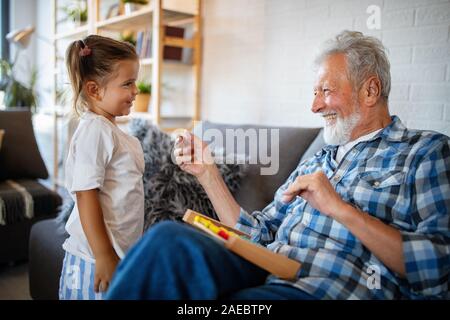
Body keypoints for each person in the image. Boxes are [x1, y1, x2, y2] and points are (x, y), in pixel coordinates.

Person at [106, 31, 450, 300]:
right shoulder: (319, 160)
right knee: (168, 239)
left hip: (323, 286)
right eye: (315, 93)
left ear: (370, 90)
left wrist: (340, 209)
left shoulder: (423, 153)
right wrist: (207, 173)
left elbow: (438, 265)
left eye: (326, 91)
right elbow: (258, 233)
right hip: (265, 266)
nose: (315, 106)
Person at [59, 35, 145, 300]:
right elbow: (86, 194)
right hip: (93, 259)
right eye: (127, 83)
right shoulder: (95, 131)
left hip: (117, 256)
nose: (136, 91)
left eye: (135, 82)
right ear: (94, 90)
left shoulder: (112, 132)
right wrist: (104, 255)